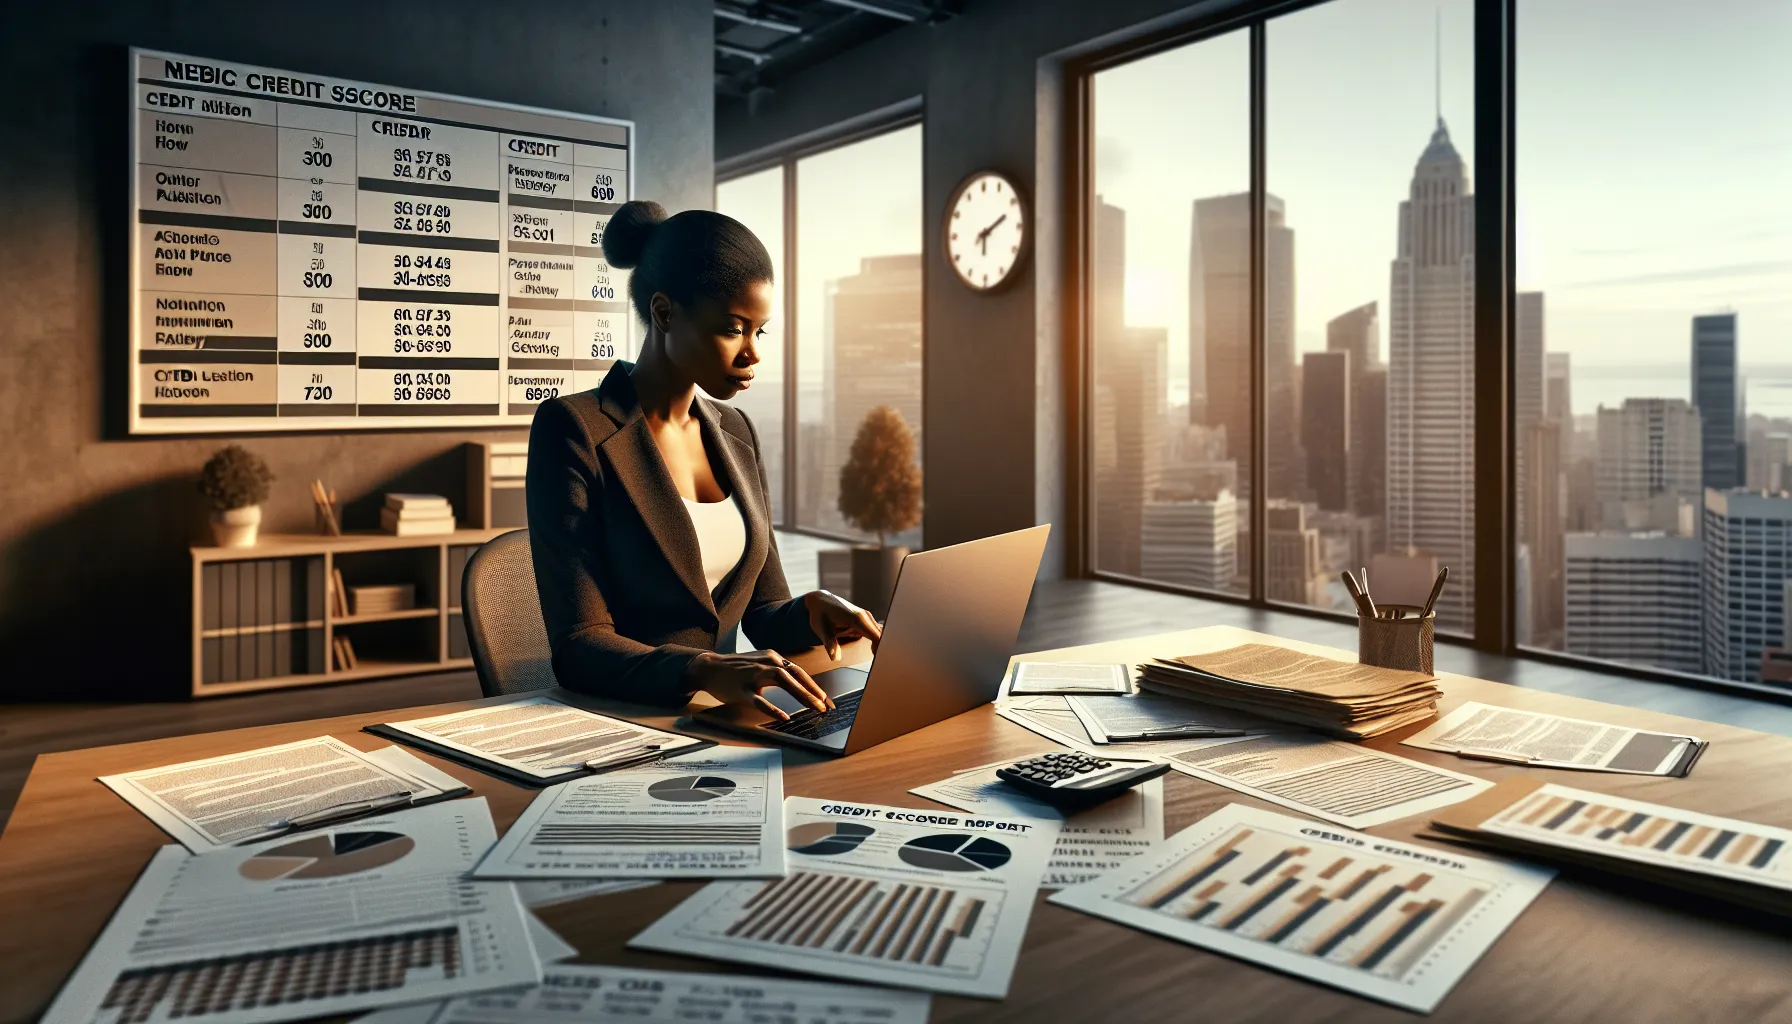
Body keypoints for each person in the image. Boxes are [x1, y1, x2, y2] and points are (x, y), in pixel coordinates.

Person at [527, 200, 881, 718]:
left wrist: (811, 611)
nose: (753, 353)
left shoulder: (736, 432)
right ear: (665, 312)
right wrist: (700, 668)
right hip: (630, 721)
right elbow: (579, 644)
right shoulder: (573, 430)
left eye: (760, 331)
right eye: (734, 329)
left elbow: (761, 611)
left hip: (729, 716)